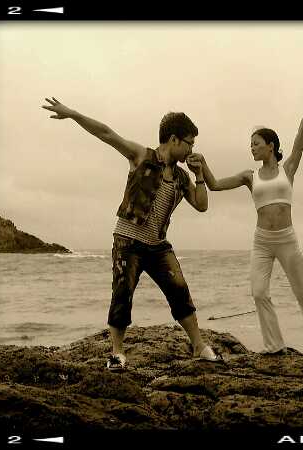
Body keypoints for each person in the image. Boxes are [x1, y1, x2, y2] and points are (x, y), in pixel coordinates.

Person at [41, 97, 221, 372]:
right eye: (189, 143)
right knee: (122, 294)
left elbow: (201, 205)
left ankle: (198, 345)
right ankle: (117, 353)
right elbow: (106, 134)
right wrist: (73, 114)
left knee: (179, 290)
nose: (191, 149)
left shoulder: (182, 177)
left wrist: (198, 175)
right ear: (174, 139)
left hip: (158, 245)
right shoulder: (141, 156)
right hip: (128, 241)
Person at [188, 93, 303, 363]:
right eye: (250, 145)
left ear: (271, 146)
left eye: (256, 144)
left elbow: (302, 134)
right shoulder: (250, 176)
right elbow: (215, 185)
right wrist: (203, 165)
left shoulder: (288, 168)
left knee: (302, 293)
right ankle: (274, 345)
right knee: (258, 292)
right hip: (262, 241)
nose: (252, 148)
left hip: (287, 239)